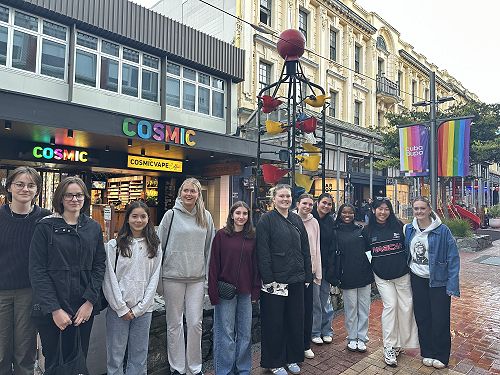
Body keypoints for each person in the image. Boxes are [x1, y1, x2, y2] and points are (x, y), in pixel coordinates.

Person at [29, 176, 106, 369]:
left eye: (79, 195)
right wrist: (55, 309)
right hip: (53, 310)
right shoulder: (45, 227)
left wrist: (89, 302)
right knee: (55, 364)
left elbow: (99, 266)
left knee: (78, 363)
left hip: (83, 309)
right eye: (69, 195)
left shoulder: (93, 228)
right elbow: (37, 270)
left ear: (85, 198)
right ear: (60, 198)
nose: (74, 199)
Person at [158, 177, 215, 375]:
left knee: (195, 324)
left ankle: (194, 367)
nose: (189, 194)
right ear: (180, 192)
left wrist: (208, 280)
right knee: (174, 324)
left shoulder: (206, 216)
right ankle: (177, 367)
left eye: (193, 191)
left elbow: (210, 250)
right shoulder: (170, 215)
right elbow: (159, 248)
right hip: (172, 277)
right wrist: (158, 281)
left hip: (197, 279)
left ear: (199, 194)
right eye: (186, 190)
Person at [256, 184, 312, 375]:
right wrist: (268, 278)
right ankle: (274, 361)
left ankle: (292, 357)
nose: (285, 199)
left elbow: (305, 249)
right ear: (274, 199)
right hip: (275, 281)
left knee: (295, 320)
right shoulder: (266, 220)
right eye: (281, 196)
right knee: (274, 322)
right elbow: (262, 252)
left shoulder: (296, 219)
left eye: (288, 196)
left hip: (296, 278)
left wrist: (307, 273)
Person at [0, 167, 51, 375]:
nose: (25, 189)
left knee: (25, 350)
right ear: (9, 187)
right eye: (19, 184)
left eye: (31, 185)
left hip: (29, 293)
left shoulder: (45, 219)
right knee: (1, 350)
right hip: (1, 292)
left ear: (37, 190)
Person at [103, 201, 162, 375]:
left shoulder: (155, 246)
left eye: (143, 216)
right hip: (117, 310)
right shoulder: (114, 245)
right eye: (134, 216)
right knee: (115, 355)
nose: (139, 220)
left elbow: (154, 278)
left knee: (139, 355)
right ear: (127, 219)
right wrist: (120, 307)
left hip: (144, 311)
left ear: (148, 219)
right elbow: (109, 278)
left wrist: (141, 308)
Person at [404, 196, 460, 369]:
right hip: (417, 279)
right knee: (422, 317)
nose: (419, 211)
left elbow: (453, 259)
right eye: (416, 208)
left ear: (429, 209)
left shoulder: (442, 231)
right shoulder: (409, 229)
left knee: (440, 318)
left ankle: (441, 355)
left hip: (438, 281)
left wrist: (452, 285)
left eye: (422, 208)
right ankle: (427, 352)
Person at [362, 197, 418, 367]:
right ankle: (389, 346)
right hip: (382, 277)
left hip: (402, 275)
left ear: (390, 210)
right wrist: (375, 269)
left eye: (386, 209)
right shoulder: (367, 230)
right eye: (379, 208)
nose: (383, 212)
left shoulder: (399, 225)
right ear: (373, 210)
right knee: (390, 307)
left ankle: (399, 343)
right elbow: (367, 253)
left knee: (406, 308)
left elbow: (409, 246)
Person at [208, 201, 260, 375]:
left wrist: (255, 290)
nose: (241, 217)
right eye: (238, 213)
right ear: (231, 215)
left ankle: (243, 369)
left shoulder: (252, 237)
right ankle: (224, 370)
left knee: (245, 334)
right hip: (225, 292)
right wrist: (213, 292)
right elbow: (213, 264)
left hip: (246, 292)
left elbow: (255, 265)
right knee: (226, 334)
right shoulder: (221, 236)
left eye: (245, 214)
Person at [333, 204, 374, 353]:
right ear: (340, 214)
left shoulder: (361, 230)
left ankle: (362, 337)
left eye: (350, 212)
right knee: (351, 310)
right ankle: (352, 337)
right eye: (344, 212)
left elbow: (369, 251)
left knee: (364, 309)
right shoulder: (335, 232)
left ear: (354, 214)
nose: (347, 215)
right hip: (347, 275)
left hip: (364, 274)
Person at [295, 193, 321, 360]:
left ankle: (305, 344)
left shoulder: (314, 222)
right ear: (298, 204)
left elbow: (316, 247)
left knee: (307, 310)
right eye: (304, 203)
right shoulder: (290, 219)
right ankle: (293, 344)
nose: (307, 207)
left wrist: (317, 271)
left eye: (310, 204)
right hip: (291, 273)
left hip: (308, 273)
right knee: (293, 311)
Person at [311, 193, 335, 345]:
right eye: (324, 203)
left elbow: (333, 244)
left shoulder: (331, 221)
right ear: (317, 202)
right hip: (313, 266)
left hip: (326, 266)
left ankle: (326, 330)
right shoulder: (310, 219)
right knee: (315, 301)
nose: (326, 206)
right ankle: (315, 331)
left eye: (329, 204)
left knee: (325, 299)